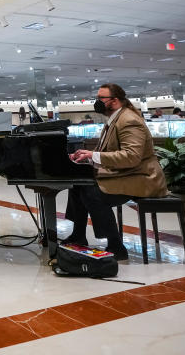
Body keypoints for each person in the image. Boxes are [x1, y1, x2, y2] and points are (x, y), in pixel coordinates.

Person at [66, 83, 168, 260]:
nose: (97, 102)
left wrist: (93, 154)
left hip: (142, 177)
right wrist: (86, 156)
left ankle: (116, 245)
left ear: (114, 101)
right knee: (78, 184)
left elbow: (131, 157)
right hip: (128, 173)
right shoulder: (114, 120)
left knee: (93, 192)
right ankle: (78, 235)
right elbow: (108, 154)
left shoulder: (129, 120)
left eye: (100, 98)